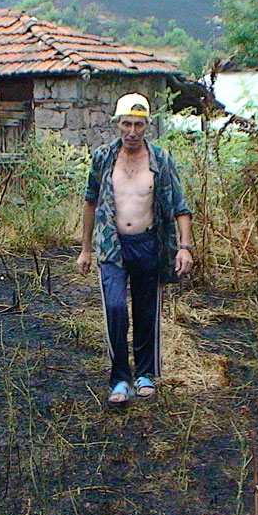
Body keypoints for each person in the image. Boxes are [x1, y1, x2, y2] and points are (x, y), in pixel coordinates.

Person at [76, 93, 193, 405]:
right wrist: (86, 249)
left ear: (147, 126)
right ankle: (119, 379)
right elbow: (90, 201)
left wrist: (184, 247)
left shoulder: (161, 159)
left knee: (146, 311)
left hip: (149, 244)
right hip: (112, 246)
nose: (131, 131)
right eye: (126, 123)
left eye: (138, 124)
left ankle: (144, 374)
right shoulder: (103, 158)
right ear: (118, 124)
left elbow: (180, 206)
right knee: (115, 309)